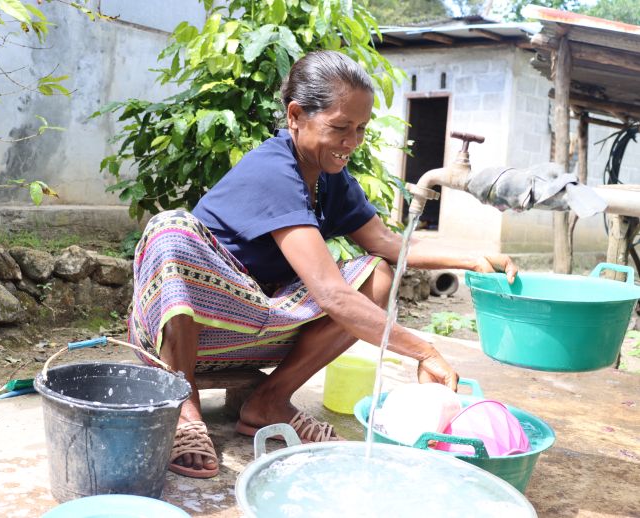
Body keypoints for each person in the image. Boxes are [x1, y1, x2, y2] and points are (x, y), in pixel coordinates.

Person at [128, 50, 518, 479]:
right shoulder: (273, 170)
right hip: (188, 330)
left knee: (377, 276)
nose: (351, 142)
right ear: (296, 115)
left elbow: (387, 243)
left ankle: (269, 401)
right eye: (340, 128)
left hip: (255, 325)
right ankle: (185, 410)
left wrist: (476, 259)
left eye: (361, 130)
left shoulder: (331, 178)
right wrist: (424, 351)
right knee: (171, 229)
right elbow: (330, 294)